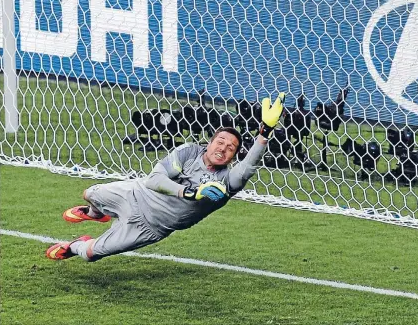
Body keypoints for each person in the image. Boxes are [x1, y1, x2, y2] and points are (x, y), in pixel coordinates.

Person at [46, 93, 285, 262]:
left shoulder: (227, 182)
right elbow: (154, 180)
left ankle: (72, 245)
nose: (223, 148)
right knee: (89, 193)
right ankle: (97, 214)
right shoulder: (190, 151)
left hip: (150, 227)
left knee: (90, 254)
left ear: (234, 156)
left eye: (231, 148)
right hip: (137, 194)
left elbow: (248, 167)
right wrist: (189, 192)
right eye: (220, 141)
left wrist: (264, 134)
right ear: (209, 143)